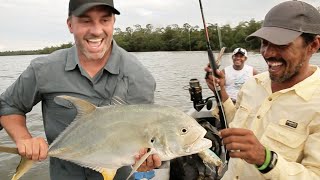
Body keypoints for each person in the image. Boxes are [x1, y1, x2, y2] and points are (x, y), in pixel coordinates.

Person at [0, 0, 161, 179]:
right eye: (86, 21)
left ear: (113, 22)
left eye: (105, 20)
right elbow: (9, 105)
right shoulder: (44, 69)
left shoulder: (139, 77)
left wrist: (145, 159)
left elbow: (146, 136)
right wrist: (24, 139)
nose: (97, 30)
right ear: (70, 24)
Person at [205, 1, 320, 179]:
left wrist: (265, 159)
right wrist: (220, 91)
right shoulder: (253, 84)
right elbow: (236, 123)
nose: (267, 53)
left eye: (281, 44)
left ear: (313, 45)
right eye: (264, 43)